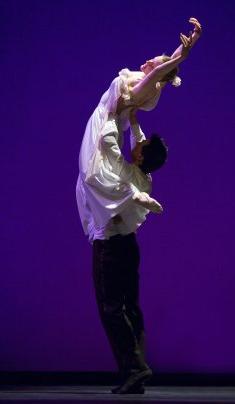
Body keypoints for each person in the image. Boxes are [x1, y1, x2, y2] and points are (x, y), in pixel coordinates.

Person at [77, 18, 202, 239]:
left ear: (158, 73)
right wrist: (189, 44)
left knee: (91, 172)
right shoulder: (153, 86)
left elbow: (160, 71)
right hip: (109, 122)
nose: (147, 62)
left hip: (104, 123)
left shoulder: (144, 86)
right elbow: (166, 67)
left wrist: (182, 56)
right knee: (90, 178)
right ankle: (125, 201)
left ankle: (129, 198)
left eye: (152, 63)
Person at [77, 109, 168, 394]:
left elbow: (113, 152)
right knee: (130, 307)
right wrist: (132, 119)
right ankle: (136, 369)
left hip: (111, 246)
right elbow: (137, 141)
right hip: (128, 246)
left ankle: (134, 369)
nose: (137, 144)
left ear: (140, 157)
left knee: (112, 308)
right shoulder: (144, 176)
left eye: (140, 147)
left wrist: (112, 122)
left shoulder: (125, 175)